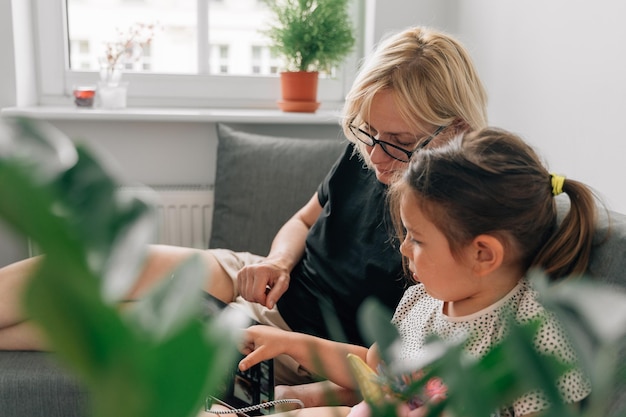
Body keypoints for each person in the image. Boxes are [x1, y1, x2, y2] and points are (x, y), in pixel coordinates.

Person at [0, 25, 488, 404]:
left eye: (399, 144)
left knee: (98, 317)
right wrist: (276, 262)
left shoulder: (465, 224)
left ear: (455, 130)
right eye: (368, 134)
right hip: (264, 280)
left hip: (296, 343)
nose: (377, 157)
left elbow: (403, 373)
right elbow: (301, 222)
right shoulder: (370, 154)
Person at [210, 127, 595, 417]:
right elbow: (372, 366)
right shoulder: (422, 301)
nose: (403, 248)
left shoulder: (534, 338)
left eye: (418, 240)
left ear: (483, 254)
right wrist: (288, 343)